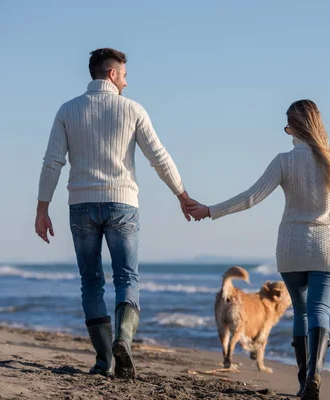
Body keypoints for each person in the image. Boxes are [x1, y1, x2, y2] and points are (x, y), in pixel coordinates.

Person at [35, 48, 196, 379]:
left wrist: (42, 207)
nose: (127, 80)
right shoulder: (132, 109)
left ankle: (103, 360)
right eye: (123, 74)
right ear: (111, 74)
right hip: (123, 203)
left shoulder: (68, 110)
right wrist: (182, 194)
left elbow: (52, 161)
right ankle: (124, 339)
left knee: (91, 281)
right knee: (127, 277)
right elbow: (159, 157)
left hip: (80, 205)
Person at [188, 99, 330, 399]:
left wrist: (210, 210)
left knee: (301, 313)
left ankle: (305, 380)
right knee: (320, 311)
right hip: (329, 247)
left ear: (294, 128)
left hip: (291, 247)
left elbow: (251, 197)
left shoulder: (284, 161)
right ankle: (315, 374)